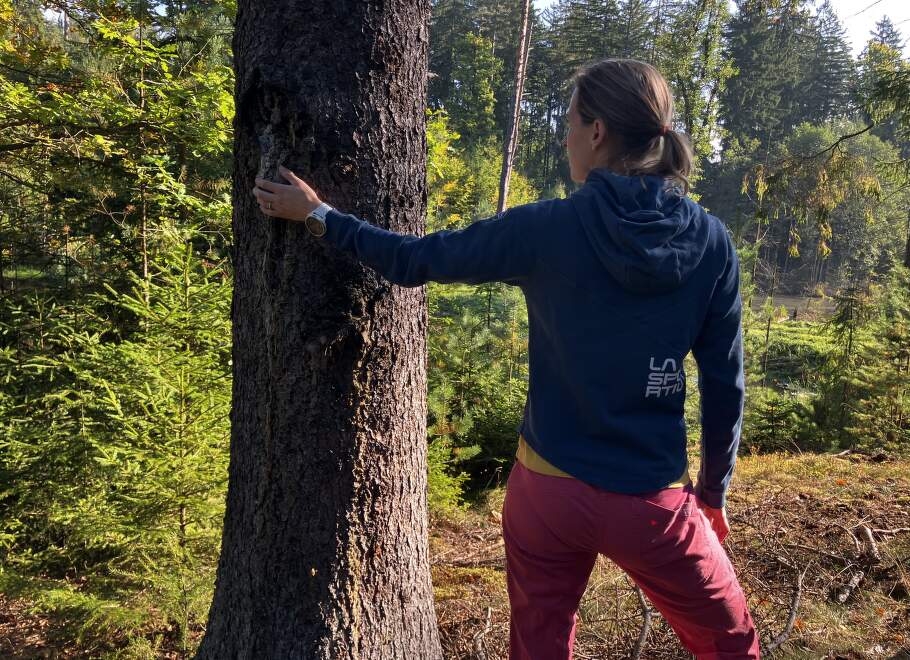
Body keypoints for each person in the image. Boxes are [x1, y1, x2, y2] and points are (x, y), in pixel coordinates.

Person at [252, 58, 760, 660]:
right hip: (651, 504)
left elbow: (415, 261)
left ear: (596, 133)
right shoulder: (711, 242)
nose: (565, 137)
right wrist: (712, 492)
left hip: (546, 493)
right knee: (732, 646)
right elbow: (726, 384)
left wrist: (319, 215)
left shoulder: (548, 228)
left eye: (570, 123)